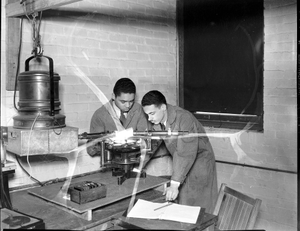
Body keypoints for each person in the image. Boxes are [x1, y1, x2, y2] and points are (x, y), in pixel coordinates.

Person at [141, 90, 218, 214]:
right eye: (147, 115)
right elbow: (151, 145)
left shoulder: (184, 118)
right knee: (184, 203)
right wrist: (138, 166)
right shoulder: (158, 122)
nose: (149, 119)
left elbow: (185, 152)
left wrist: (174, 184)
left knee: (197, 206)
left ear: (163, 107)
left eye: (152, 113)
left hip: (199, 163)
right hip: (182, 162)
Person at [87, 78, 149, 156]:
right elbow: (91, 149)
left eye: (131, 101)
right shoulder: (100, 115)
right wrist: (111, 144)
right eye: (123, 102)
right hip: (112, 164)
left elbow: (144, 138)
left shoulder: (139, 110)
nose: (128, 105)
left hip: (135, 161)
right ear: (113, 96)